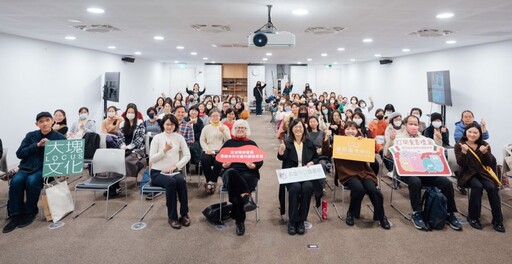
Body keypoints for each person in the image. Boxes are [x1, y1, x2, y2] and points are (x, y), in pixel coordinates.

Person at [385, 115, 462, 231]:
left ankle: (450, 213)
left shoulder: (426, 140)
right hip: (407, 172)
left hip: (426, 171)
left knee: (446, 183)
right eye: (411, 124)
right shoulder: (398, 138)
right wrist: (391, 140)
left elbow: (436, 154)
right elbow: (387, 155)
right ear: (405, 125)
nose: (413, 126)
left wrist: (438, 141)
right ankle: (417, 212)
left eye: (416, 124)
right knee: (415, 182)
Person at [3, 112, 66, 233]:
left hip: (45, 169)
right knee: (16, 181)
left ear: (52, 121)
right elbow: (20, 153)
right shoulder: (30, 136)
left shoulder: (60, 138)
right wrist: (36, 145)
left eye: (47, 120)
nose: (45, 123)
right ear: (37, 124)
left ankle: (30, 212)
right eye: (41, 121)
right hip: (26, 167)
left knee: (32, 181)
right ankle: (15, 215)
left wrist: (51, 146)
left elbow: (63, 158)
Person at [322, 122, 390, 229]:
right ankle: (351, 213)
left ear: (357, 130)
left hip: (364, 172)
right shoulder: (340, 141)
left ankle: (381, 216)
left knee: (373, 190)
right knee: (359, 189)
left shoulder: (361, 141)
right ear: (344, 130)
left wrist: (365, 144)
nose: (350, 131)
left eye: (353, 129)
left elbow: (371, 158)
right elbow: (326, 152)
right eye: (348, 128)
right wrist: (326, 137)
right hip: (347, 173)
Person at [454, 122, 504, 232]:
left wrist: (485, 153)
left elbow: (490, 163)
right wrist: (463, 152)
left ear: (479, 133)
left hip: (482, 173)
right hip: (468, 174)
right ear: (465, 132)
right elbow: (461, 163)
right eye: (470, 132)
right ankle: (473, 217)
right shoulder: (460, 145)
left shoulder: (484, 144)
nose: (472, 134)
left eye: (475, 132)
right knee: (477, 187)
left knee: (492, 187)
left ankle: (497, 219)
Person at [217, 119, 261, 235]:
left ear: (247, 130)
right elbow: (218, 160)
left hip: (248, 174)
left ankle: (239, 221)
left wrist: (254, 165)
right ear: (234, 129)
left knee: (236, 189)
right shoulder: (228, 143)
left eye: (243, 128)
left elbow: (260, 160)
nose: (240, 130)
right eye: (238, 128)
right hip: (230, 173)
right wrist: (223, 164)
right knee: (232, 173)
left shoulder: (251, 144)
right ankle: (246, 198)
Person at [149, 114, 191, 229]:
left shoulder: (179, 138)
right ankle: (172, 217)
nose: (169, 127)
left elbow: (187, 155)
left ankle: (184, 214)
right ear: (163, 125)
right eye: (167, 124)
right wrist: (164, 150)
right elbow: (152, 158)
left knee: (181, 181)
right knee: (171, 183)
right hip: (158, 172)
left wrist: (176, 166)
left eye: (172, 124)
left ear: (175, 125)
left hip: (174, 171)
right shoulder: (157, 138)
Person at [277, 119, 319, 235]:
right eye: (295, 127)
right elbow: (282, 157)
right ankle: (292, 220)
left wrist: (312, 162)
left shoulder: (309, 143)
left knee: (307, 188)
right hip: (292, 175)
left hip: (305, 174)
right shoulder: (287, 142)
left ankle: (301, 220)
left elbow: (316, 157)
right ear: (291, 129)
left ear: (304, 129)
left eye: (300, 127)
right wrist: (281, 152)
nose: (298, 129)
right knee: (295, 188)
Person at [199, 109, 231, 194]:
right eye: (213, 116)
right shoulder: (206, 128)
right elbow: (202, 141)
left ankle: (211, 183)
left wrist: (223, 131)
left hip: (220, 151)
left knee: (218, 162)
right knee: (204, 160)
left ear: (220, 117)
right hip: (209, 150)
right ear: (210, 117)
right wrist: (206, 149)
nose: (215, 117)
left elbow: (228, 141)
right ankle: (210, 182)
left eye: (217, 115)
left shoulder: (224, 127)